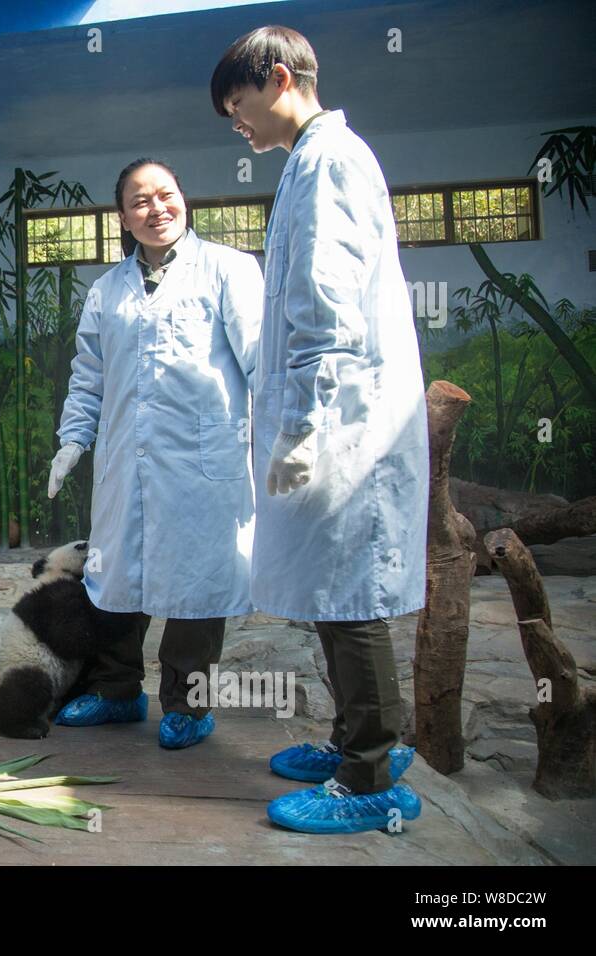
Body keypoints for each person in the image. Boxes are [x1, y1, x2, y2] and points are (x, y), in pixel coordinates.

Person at [210, 25, 428, 834]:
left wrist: (302, 427)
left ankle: (371, 775)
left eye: (239, 107)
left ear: (276, 78)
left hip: (344, 418)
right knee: (337, 592)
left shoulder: (329, 160)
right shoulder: (311, 161)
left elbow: (327, 313)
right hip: (332, 412)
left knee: (352, 597)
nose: (239, 126)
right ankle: (356, 742)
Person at [47, 158, 263, 749]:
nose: (155, 208)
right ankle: (117, 691)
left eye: (164, 195)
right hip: (126, 462)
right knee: (117, 579)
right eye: (139, 201)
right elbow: (88, 374)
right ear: (123, 215)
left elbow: (261, 363)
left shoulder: (228, 271)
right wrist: (74, 438)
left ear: (183, 198)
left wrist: (282, 443)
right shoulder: (106, 289)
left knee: (195, 585)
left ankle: (188, 706)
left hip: (203, 463)